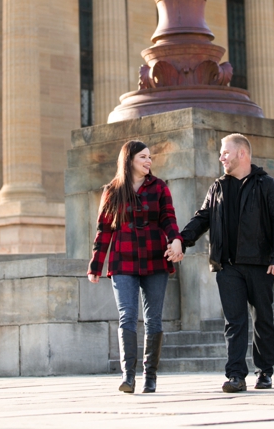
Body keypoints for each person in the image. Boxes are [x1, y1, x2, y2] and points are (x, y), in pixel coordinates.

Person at [176, 133, 274, 393]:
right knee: (234, 321)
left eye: (225, 152)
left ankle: (265, 371)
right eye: (220, 153)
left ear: (242, 154)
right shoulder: (217, 187)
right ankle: (236, 375)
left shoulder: (266, 184)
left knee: (262, 317)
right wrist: (182, 240)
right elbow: (202, 218)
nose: (221, 157)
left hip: (260, 264)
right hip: (227, 265)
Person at [88, 140, 184, 393]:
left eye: (150, 157)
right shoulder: (112, 190)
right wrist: (95, 267)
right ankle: (128, 377)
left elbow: (168, 219)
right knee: (127, 315)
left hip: (155, 257)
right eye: (143, 157)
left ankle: (150, 377)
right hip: (123, 259)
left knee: (153, 319)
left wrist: (176, 240)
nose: (148, 161)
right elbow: (103, 231)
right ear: (129, 159)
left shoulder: (160, 187)